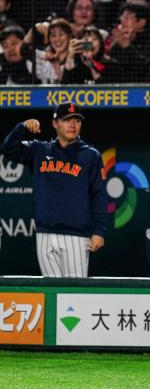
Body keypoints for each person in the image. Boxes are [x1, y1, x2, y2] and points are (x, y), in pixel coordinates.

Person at [0, 103, 107, 277]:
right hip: (45, 234)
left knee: (74, 295)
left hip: (76, 236)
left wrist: (99, 231)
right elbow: (7, 149)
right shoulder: (39, 150)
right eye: (67, 120)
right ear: (55, 124)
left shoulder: (91, 155)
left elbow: (99, 195)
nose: (73, 125)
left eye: (77, 121)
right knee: (51, 292)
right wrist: (22, 128)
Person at [107, 2, 150, 83]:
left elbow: (146, 68)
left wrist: (127, 46)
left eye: (127, 17)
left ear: (141, 22)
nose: (122, 20)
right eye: (122, 16)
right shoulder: (117, 40)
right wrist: (116, 44)